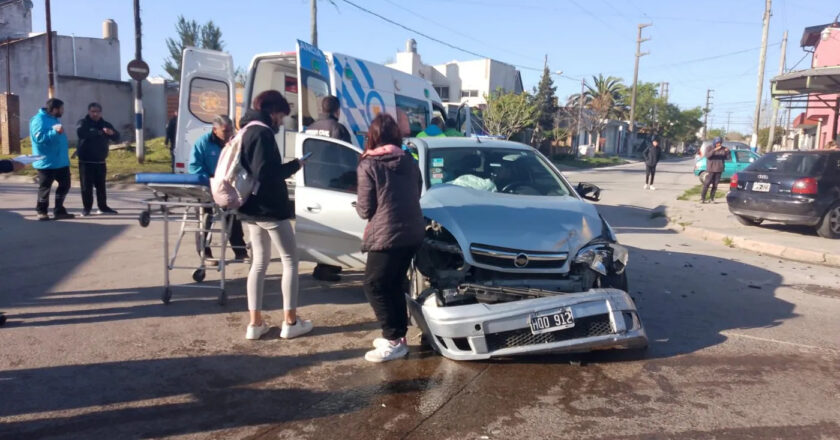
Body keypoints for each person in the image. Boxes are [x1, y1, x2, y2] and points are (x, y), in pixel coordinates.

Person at [237, 90, 312, 341]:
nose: (281, 121)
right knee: (290, 260)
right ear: (273, 111)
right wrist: (295, 165)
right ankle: (290, 321)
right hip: (270, 209)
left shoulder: (246, 129)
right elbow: (267, 173)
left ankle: (255, 324)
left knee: (258, 263)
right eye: (281, 115)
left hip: (251, 208)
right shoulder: (262, 133)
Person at [356, 113, 425, 362]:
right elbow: (417, 191)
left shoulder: (368, 164)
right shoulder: (408, 159)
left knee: (374, 285)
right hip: (413, 231)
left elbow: (365, 209)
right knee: (394, 283)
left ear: (372, 136)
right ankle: (397, 337)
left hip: (386, 235)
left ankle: (394, 339)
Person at [304, 95, 351, 282]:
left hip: (312, 181)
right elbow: (346, 158)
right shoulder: (338, 129)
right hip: (332, 183)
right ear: (337, 110)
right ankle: (327, 266)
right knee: (336, 227)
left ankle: (324, 264)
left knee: (322, 228)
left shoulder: (311, 129)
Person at [188, 115, 248, 263]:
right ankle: (205, 253)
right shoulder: (202, 143)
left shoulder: (234, 142)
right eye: (225, 131)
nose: (228, 134)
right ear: (215, 130)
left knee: (233, 216)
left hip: (227, 185)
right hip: (208, 186)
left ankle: (240, 251)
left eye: (230, 131)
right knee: (204, 218)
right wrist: (210, 180)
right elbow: (194, 167)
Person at [31, 98, 73, 221]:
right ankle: (41, 211)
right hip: (46, 162)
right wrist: (55, 132)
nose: (63, 111)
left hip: (61, 162)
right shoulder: (38, 120)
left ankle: (59, 210)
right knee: (45, 188)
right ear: (55, 109)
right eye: (61, 108)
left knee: (65, 185)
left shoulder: (54, 119)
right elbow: (39, 139)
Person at [76, 102, 120, 216]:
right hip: (86, 160)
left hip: (100, 160)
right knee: (86, 186)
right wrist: (100, 132)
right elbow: (82, 133)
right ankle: (87, 208)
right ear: (89, 112)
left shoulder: (105, 124)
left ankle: (103, 207)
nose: (95, 114)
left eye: (97, 112)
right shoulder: (83, 123)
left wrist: (112, 133)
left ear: (101, 112)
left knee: (101, 186)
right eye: (92, 111)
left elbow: (117, 137)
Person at [701, 137, 729, 204]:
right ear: (714, 142)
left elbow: (727, 158)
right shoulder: (709, 147)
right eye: (717, 143)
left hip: (719, 169)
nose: (719, 144)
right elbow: (707, 156)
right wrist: (714, 150)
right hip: (711, 169)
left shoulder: (723, 148)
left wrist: (727, 152)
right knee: (706, 184)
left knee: (715, 185)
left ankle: (712, 198)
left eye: (720, 143)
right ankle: (702, 198)